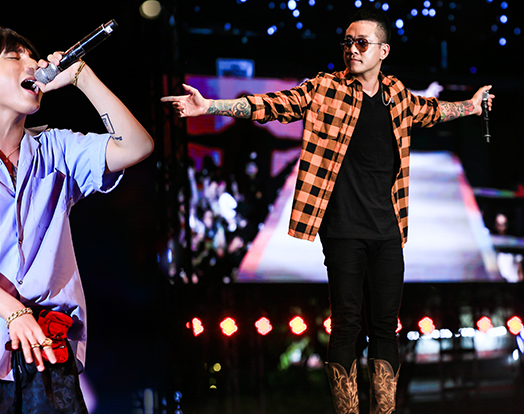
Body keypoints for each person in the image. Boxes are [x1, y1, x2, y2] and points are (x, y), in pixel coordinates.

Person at [162, 9, 493, 414]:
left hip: (389, 230)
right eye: (347, 42)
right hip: (342, 230)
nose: (352, 50)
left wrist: (472, 106)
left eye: (361, 43)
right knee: (347, 324)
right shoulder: (325, 89)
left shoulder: (397, 95)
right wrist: (210, 105)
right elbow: (271, 105)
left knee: (385, 327)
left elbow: (433, 110)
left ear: (383, 51)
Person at [0, 26, 153, 413]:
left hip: (50, 357)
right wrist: (13, 312)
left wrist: (83, 77)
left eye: (32, 56)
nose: (33, 64)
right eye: (15, 57)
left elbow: (137, 146)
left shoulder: (56, 148)